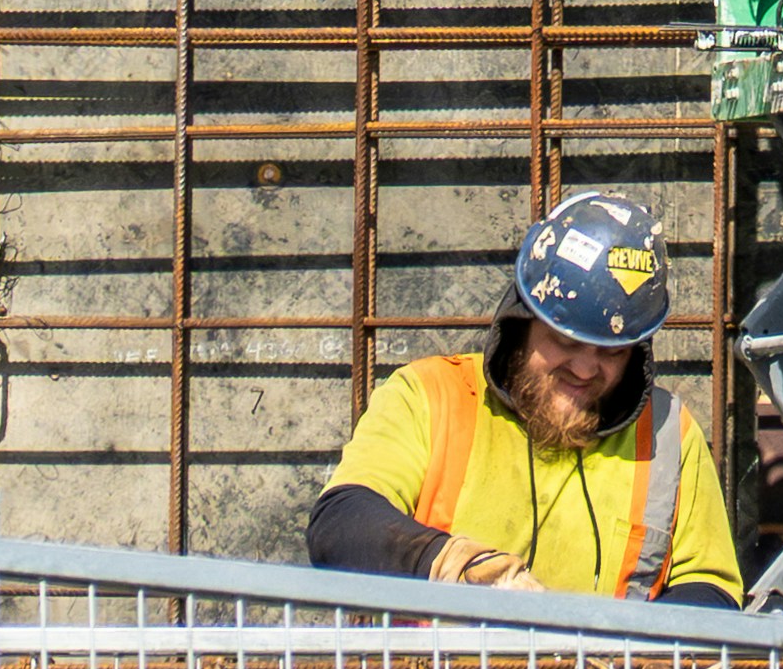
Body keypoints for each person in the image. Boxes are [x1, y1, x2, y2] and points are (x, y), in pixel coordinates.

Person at [307, 188, 744, 606]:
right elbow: (340, 523)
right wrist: (455, 565)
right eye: (564, 341)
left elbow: (711, 589)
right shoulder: (430, 396)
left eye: (612, 351)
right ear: (521, 323)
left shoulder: (668, 434)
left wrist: (624, 658)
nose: (586, 368)